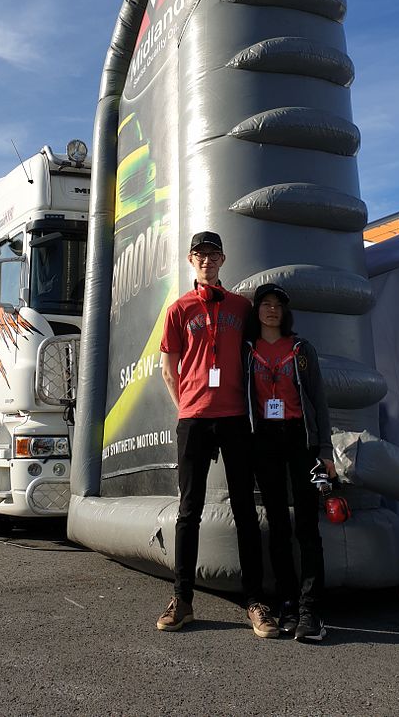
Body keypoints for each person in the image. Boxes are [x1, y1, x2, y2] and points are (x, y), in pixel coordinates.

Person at [157, 231, 278, 637]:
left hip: (235, 418)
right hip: (194, 419)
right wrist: (186, 407)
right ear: (190, 260)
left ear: (223, 259)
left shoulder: (242, 308)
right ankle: (183, 599)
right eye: (199, 254)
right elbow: (167, 369)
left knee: (245, 509)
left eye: (213, 254)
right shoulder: (178, 310)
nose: (206, 260)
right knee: (188, 510)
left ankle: (255, 601)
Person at [243, 284, 336, 642]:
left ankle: (312, 609)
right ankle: (288, 604)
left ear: (285, 312)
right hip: (264, 440)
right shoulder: (248, 351)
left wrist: (325, 449)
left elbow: (320, 401)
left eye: (277, 305)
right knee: (278, 523)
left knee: (308, 525)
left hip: (302, 440)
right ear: (257, 311)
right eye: (265, 304)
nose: (271, 310)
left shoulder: (301, 349)